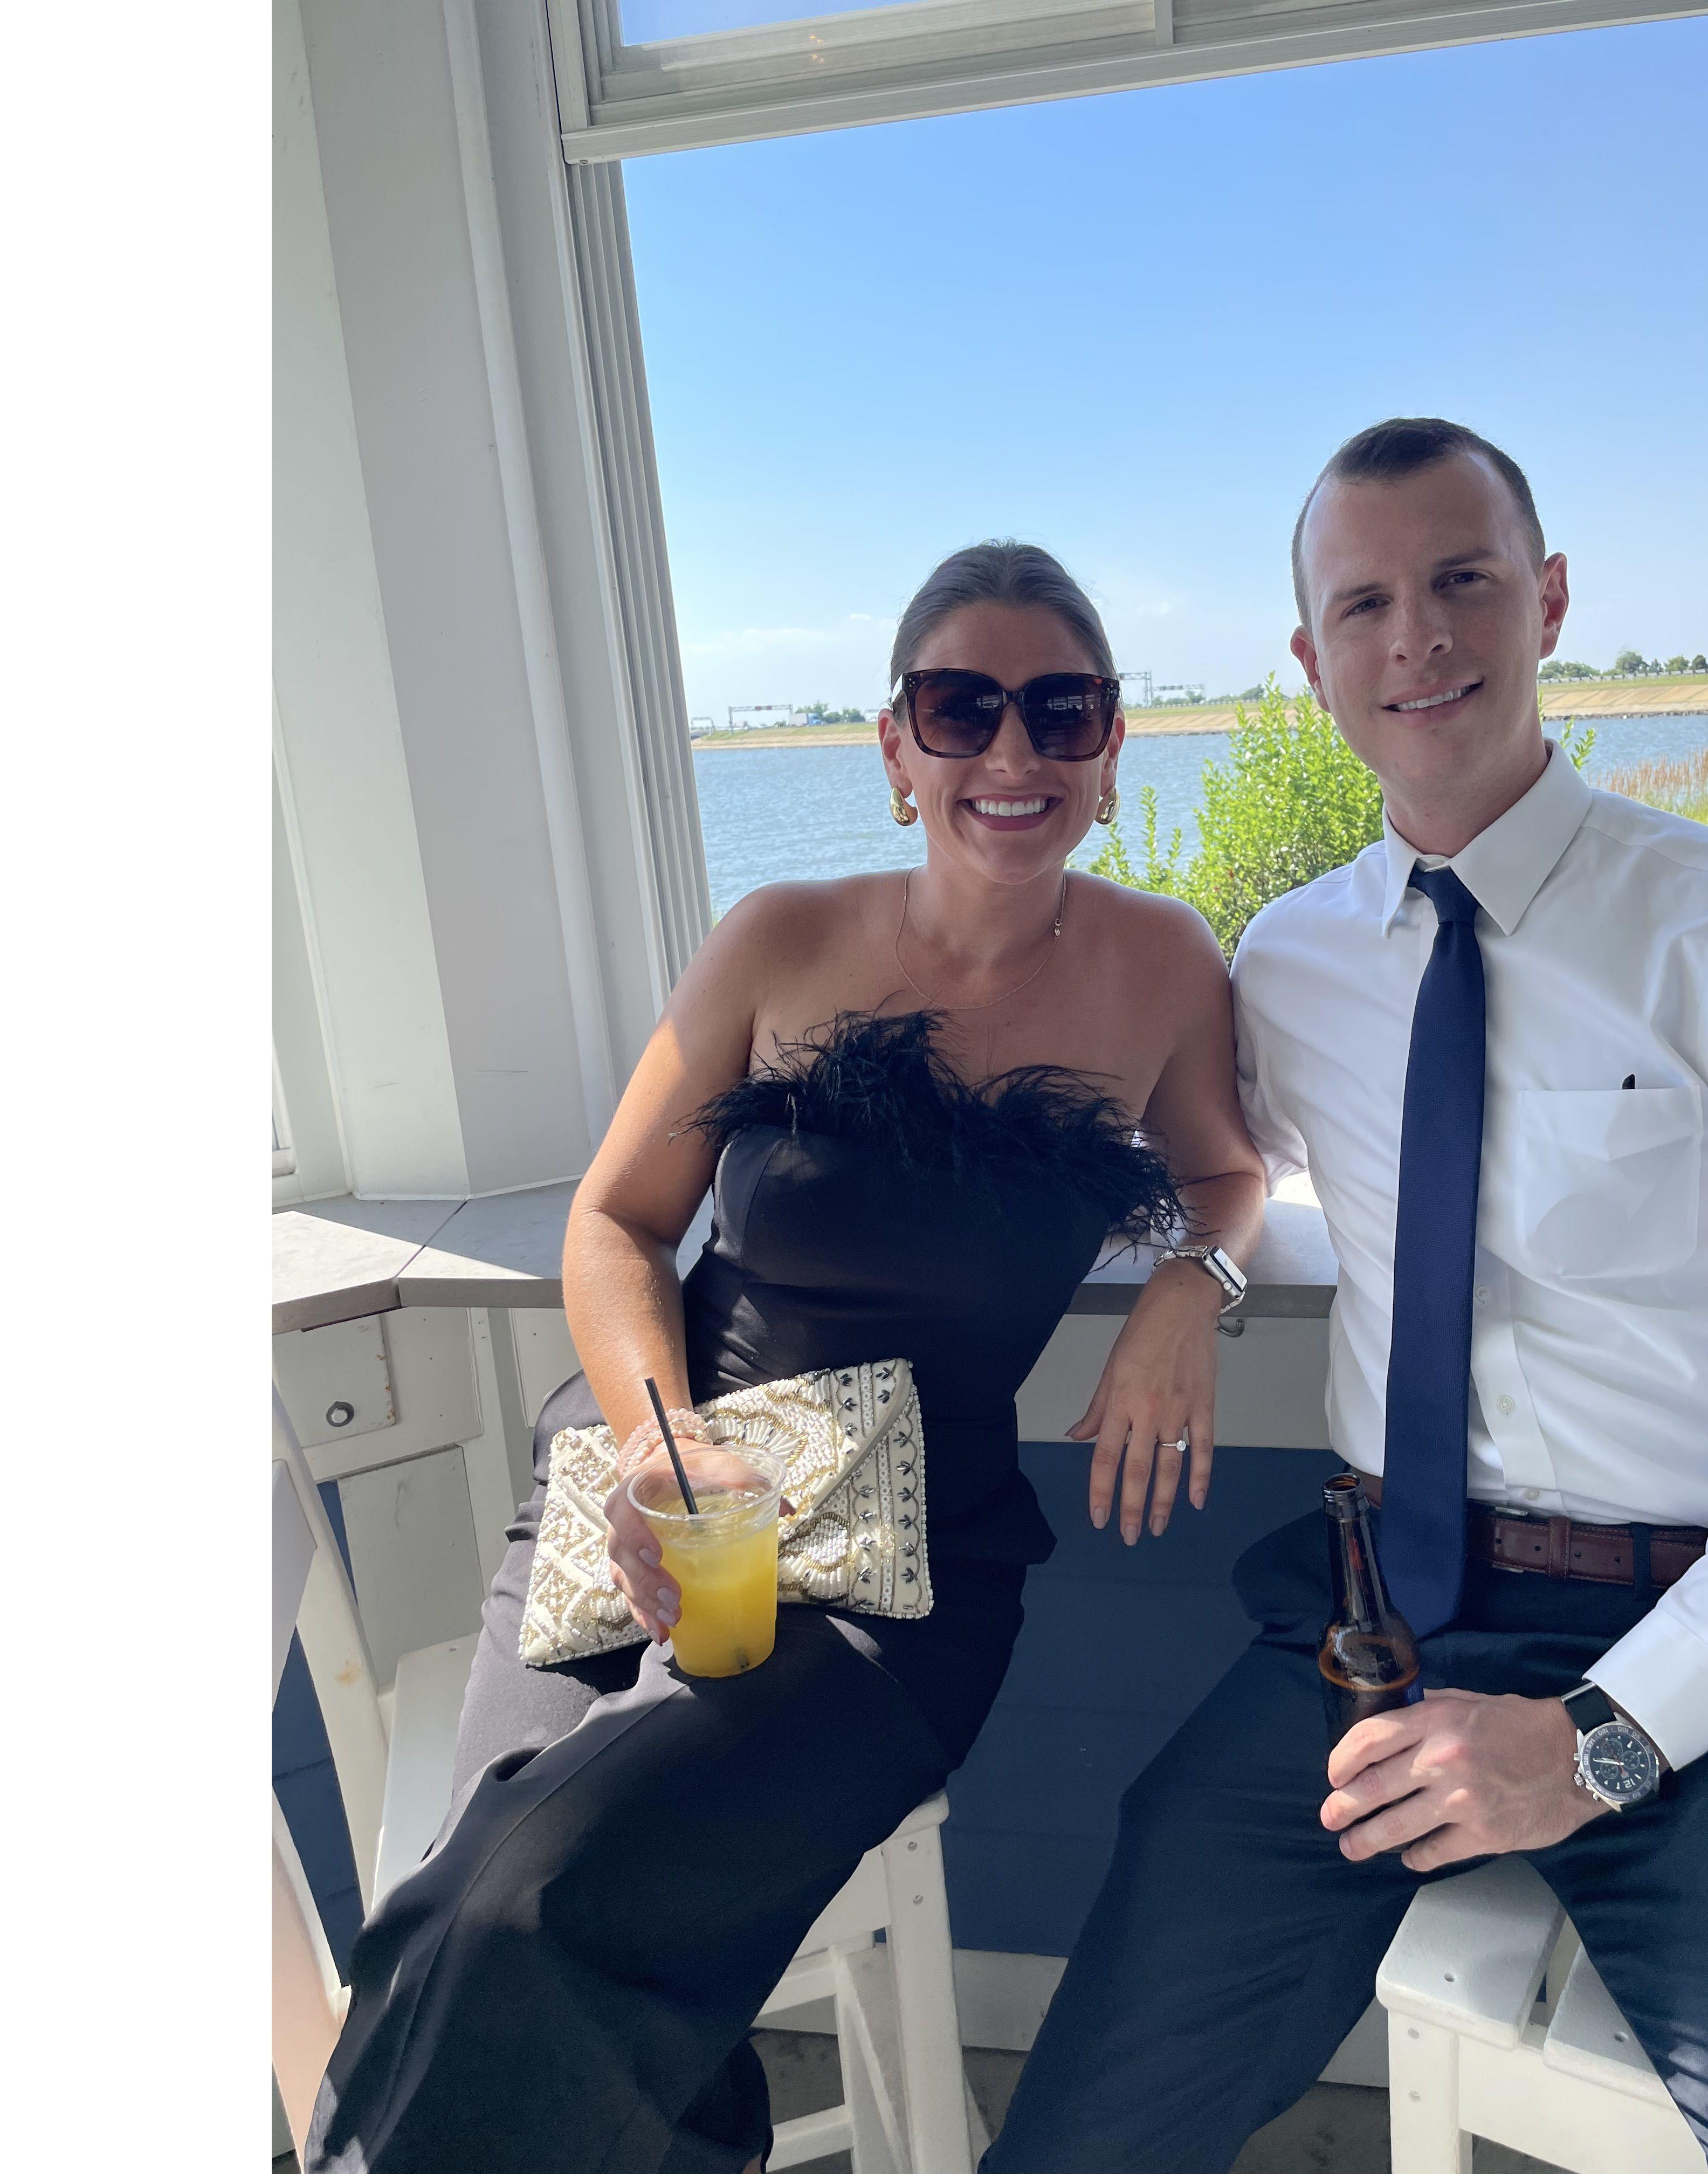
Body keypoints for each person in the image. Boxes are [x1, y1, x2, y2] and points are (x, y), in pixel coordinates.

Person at [985, 420, 1708, 2174]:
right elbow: (1204, 1156)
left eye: (1463, 580)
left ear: (1546, 602)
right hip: (1374, 1636)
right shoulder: (1290, 960)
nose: (1417, 637)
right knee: (1089, 2131)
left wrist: (1603, 1743)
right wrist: (1189, 1272)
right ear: (1311, 658)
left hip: (1696, 1647)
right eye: (1366, 604)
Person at [307, 541, 1267, 2174]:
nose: (1014, 751)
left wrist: (1197, 1287)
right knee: (497, 1901)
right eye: (961, 708)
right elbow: (616, 1222)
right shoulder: (780, 939)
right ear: (896, 748)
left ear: (1113, 747)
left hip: (911, 1568)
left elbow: (1229, 1172)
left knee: (525, 1906)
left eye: (1063, 710)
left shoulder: (1162, 967)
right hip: (658, 1478)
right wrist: (659, 1446)